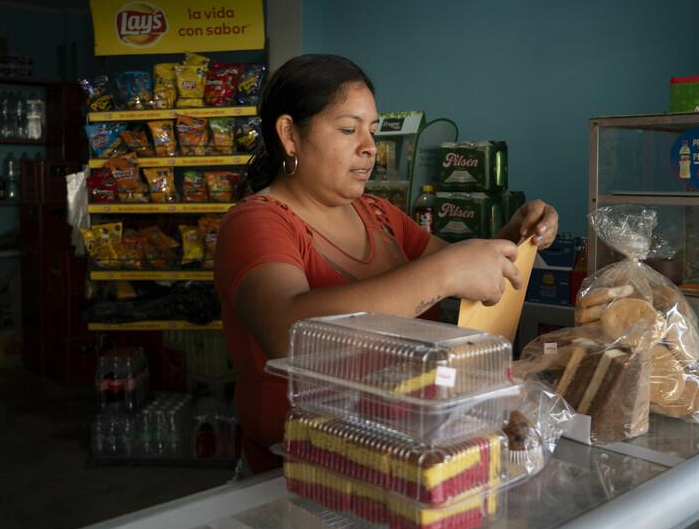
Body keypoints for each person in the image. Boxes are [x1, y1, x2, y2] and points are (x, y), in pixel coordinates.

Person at [214, 54, 558, 473]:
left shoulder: (379, 215)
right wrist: (444, 272)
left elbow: (469, 275)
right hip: (300, 476)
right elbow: (289, 335)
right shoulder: (256, 223)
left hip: (408, 461)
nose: (369, 147)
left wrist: (514, 238)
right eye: (347, 129)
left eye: (373, 131)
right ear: (289, 134)